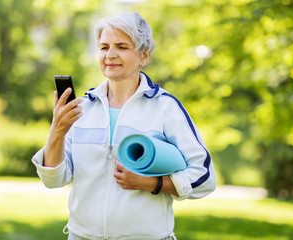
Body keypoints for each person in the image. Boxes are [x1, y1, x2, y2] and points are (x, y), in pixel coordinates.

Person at [32, 11, 216, 240]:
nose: (110, 55)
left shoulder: (165, 108)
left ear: (144, 56)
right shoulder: (82, 110)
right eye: (104, 47)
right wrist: (57, 131)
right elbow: (53, 180)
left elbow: (205, 177)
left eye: (121, 46)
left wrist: (152, 183)